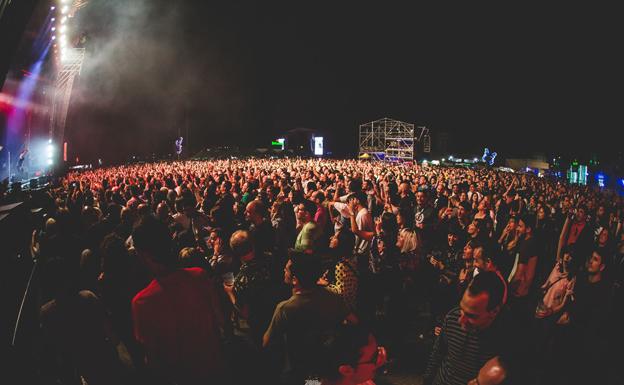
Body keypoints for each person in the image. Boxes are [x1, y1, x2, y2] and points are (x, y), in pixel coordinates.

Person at [131, 215, 227, 384]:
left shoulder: (142, 303)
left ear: (142, 254)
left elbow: (154, 360)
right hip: (215, 370)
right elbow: (220, 322)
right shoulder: (200, 276)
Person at [263, 252, 356, 385]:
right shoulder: (333, 297)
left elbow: (266, 342)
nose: (284, 270)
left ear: (295, 279)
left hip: (299, 372)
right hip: (327, 367)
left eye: (287, 268)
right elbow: (354, 321)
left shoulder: (285, 309)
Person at [423, 271, 509, 385]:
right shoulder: (452, 316)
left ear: (494, 311)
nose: (460, 320)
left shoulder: (506, 339)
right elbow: (438, 353)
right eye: (462, 309)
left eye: (471, 315)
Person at [318, 324, 387, 385]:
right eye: (374, 358)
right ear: (346, 370)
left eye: (378, 350)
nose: (380, 359)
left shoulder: (361, 381)